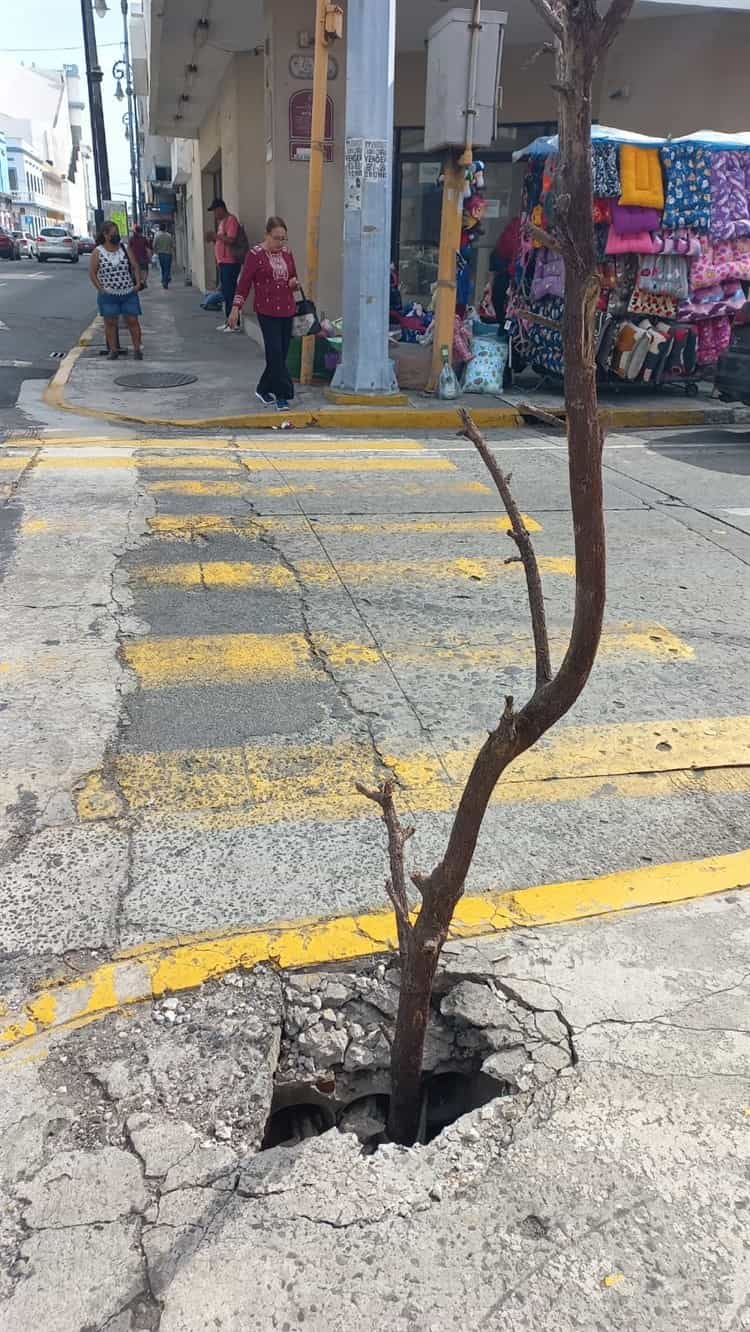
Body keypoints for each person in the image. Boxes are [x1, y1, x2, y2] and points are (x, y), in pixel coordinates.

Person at [226, 216, 299, 410]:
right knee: (274, 352)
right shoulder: (255, 255)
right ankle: (282, 394)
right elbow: (244, 284)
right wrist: (235, 308)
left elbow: (292, 276)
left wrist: (293, 283)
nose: (280, 243)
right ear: (267, 235)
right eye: (276, 238)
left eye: (283, 238)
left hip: (287, 309)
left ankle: (262, 388)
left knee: (281, 354)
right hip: (267, 311)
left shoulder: (287, 253)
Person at [88, 220, 143, 361]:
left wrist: (138, 283)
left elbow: (135, 266)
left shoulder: (124, 248)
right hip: (108, 294)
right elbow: (92, 273)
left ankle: (137, 349)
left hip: (128, 292)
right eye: (113, 234)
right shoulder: (98, 252)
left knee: (132, 320)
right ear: (105, 235)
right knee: (110, 322)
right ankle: (113, 350)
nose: (116, 236)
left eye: (117, 233)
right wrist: (100, 289)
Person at [206, 198, 246, 330]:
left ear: (221, 209)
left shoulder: (231, 220)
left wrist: (216, 236)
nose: (215, 214)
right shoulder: (222, 222)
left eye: (215, 211)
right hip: (223, 263)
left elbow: (231, 239)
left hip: (230, 262)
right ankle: (229, 321)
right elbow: (222, 241)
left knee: (230, 293)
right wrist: (214, 239)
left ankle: (234, 323)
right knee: (226, 292)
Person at [129, 223, 151, 287]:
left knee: (136, 270)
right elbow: (148, 249)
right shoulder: (144, 238)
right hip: (143, 257)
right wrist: (149, 258)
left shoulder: (131, 239)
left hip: (134, 258)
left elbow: (129, 249)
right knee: (145, 270)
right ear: (141, 231)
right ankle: (143, 281)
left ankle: (137, 281)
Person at [152, 224, 174, 289]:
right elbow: (172, 245)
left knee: (162, 268)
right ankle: (165, 281)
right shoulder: (169, 235)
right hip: (168, 254)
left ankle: (164, 280)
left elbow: (154, 245)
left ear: (159, 229)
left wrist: (156, 251)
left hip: (160, 254)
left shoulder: (157, 236)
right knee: (167, 268)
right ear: (165, 228)